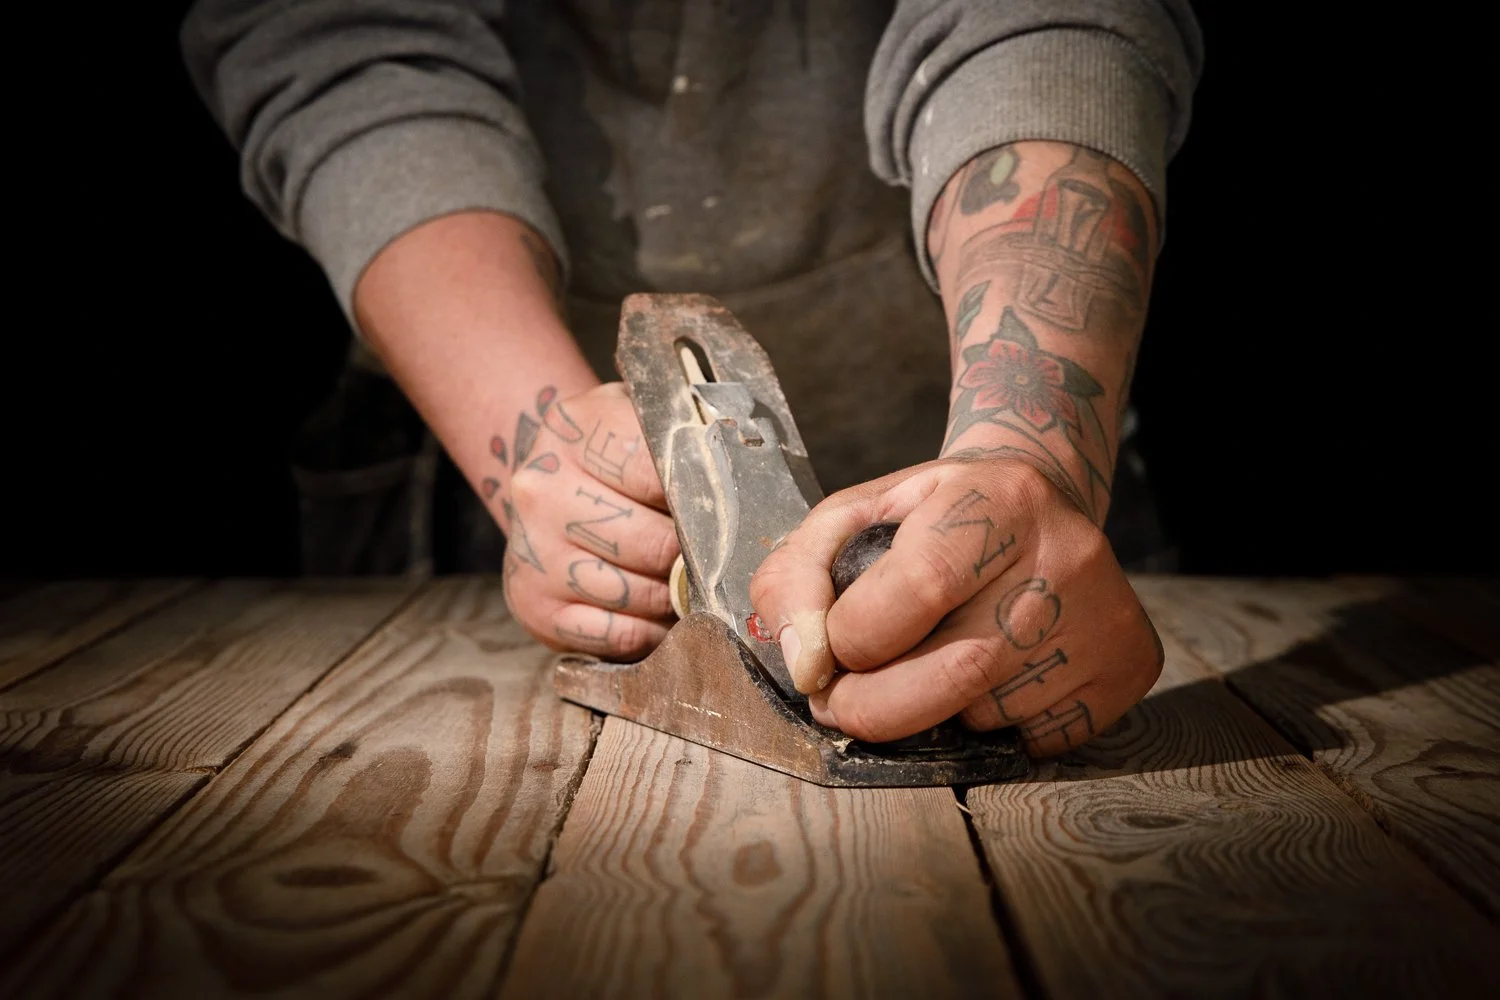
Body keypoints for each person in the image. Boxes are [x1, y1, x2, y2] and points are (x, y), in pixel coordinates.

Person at [181, 1, 1203, 756]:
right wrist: (546, 439)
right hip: (499, 446)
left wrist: (1031, 454)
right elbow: (345, 51)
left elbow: (1051, 22)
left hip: (980, 468)